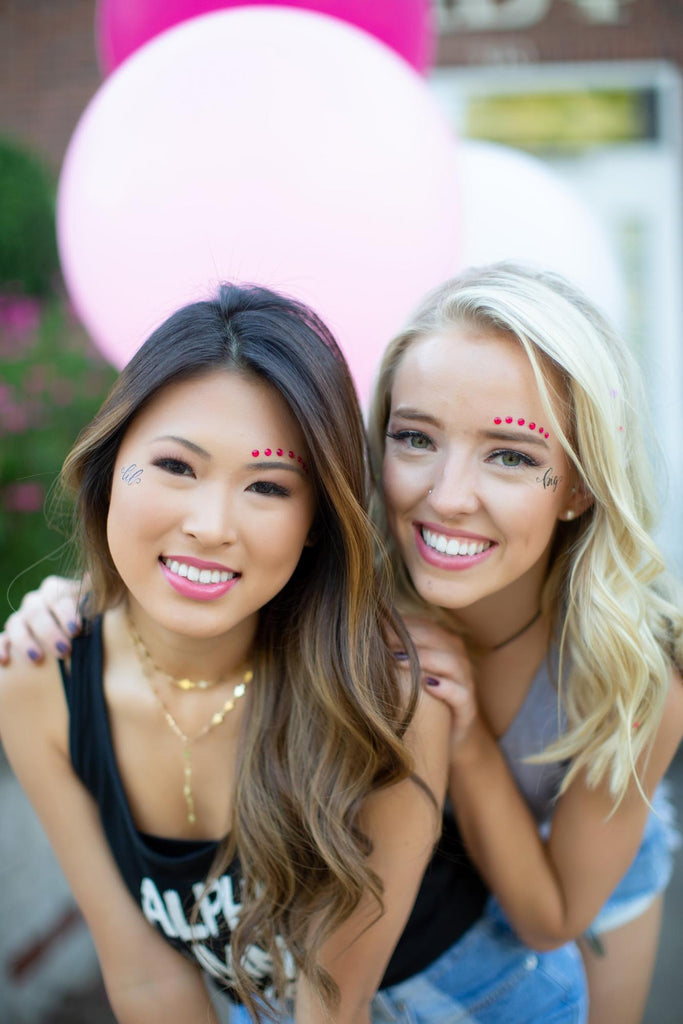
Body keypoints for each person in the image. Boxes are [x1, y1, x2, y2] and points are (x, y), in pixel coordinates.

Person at [1, 274, 594, 1024]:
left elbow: (329, 1006)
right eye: (178, 466)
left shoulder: (387, 698)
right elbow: (146, 978)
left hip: (474, 1001)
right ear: (109, 466)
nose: (212, 524)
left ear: (317, 519)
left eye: (269, 487)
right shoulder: (34, 681)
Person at [367, 262, 683, 1024]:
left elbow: (552, 917)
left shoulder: (637, 673)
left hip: (583, 863)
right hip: (429, 894)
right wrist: (65, 608)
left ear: (578, 486)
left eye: (509, 454)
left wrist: (466, 738)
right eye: (415, 438)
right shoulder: (344, 584)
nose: (445, 496)